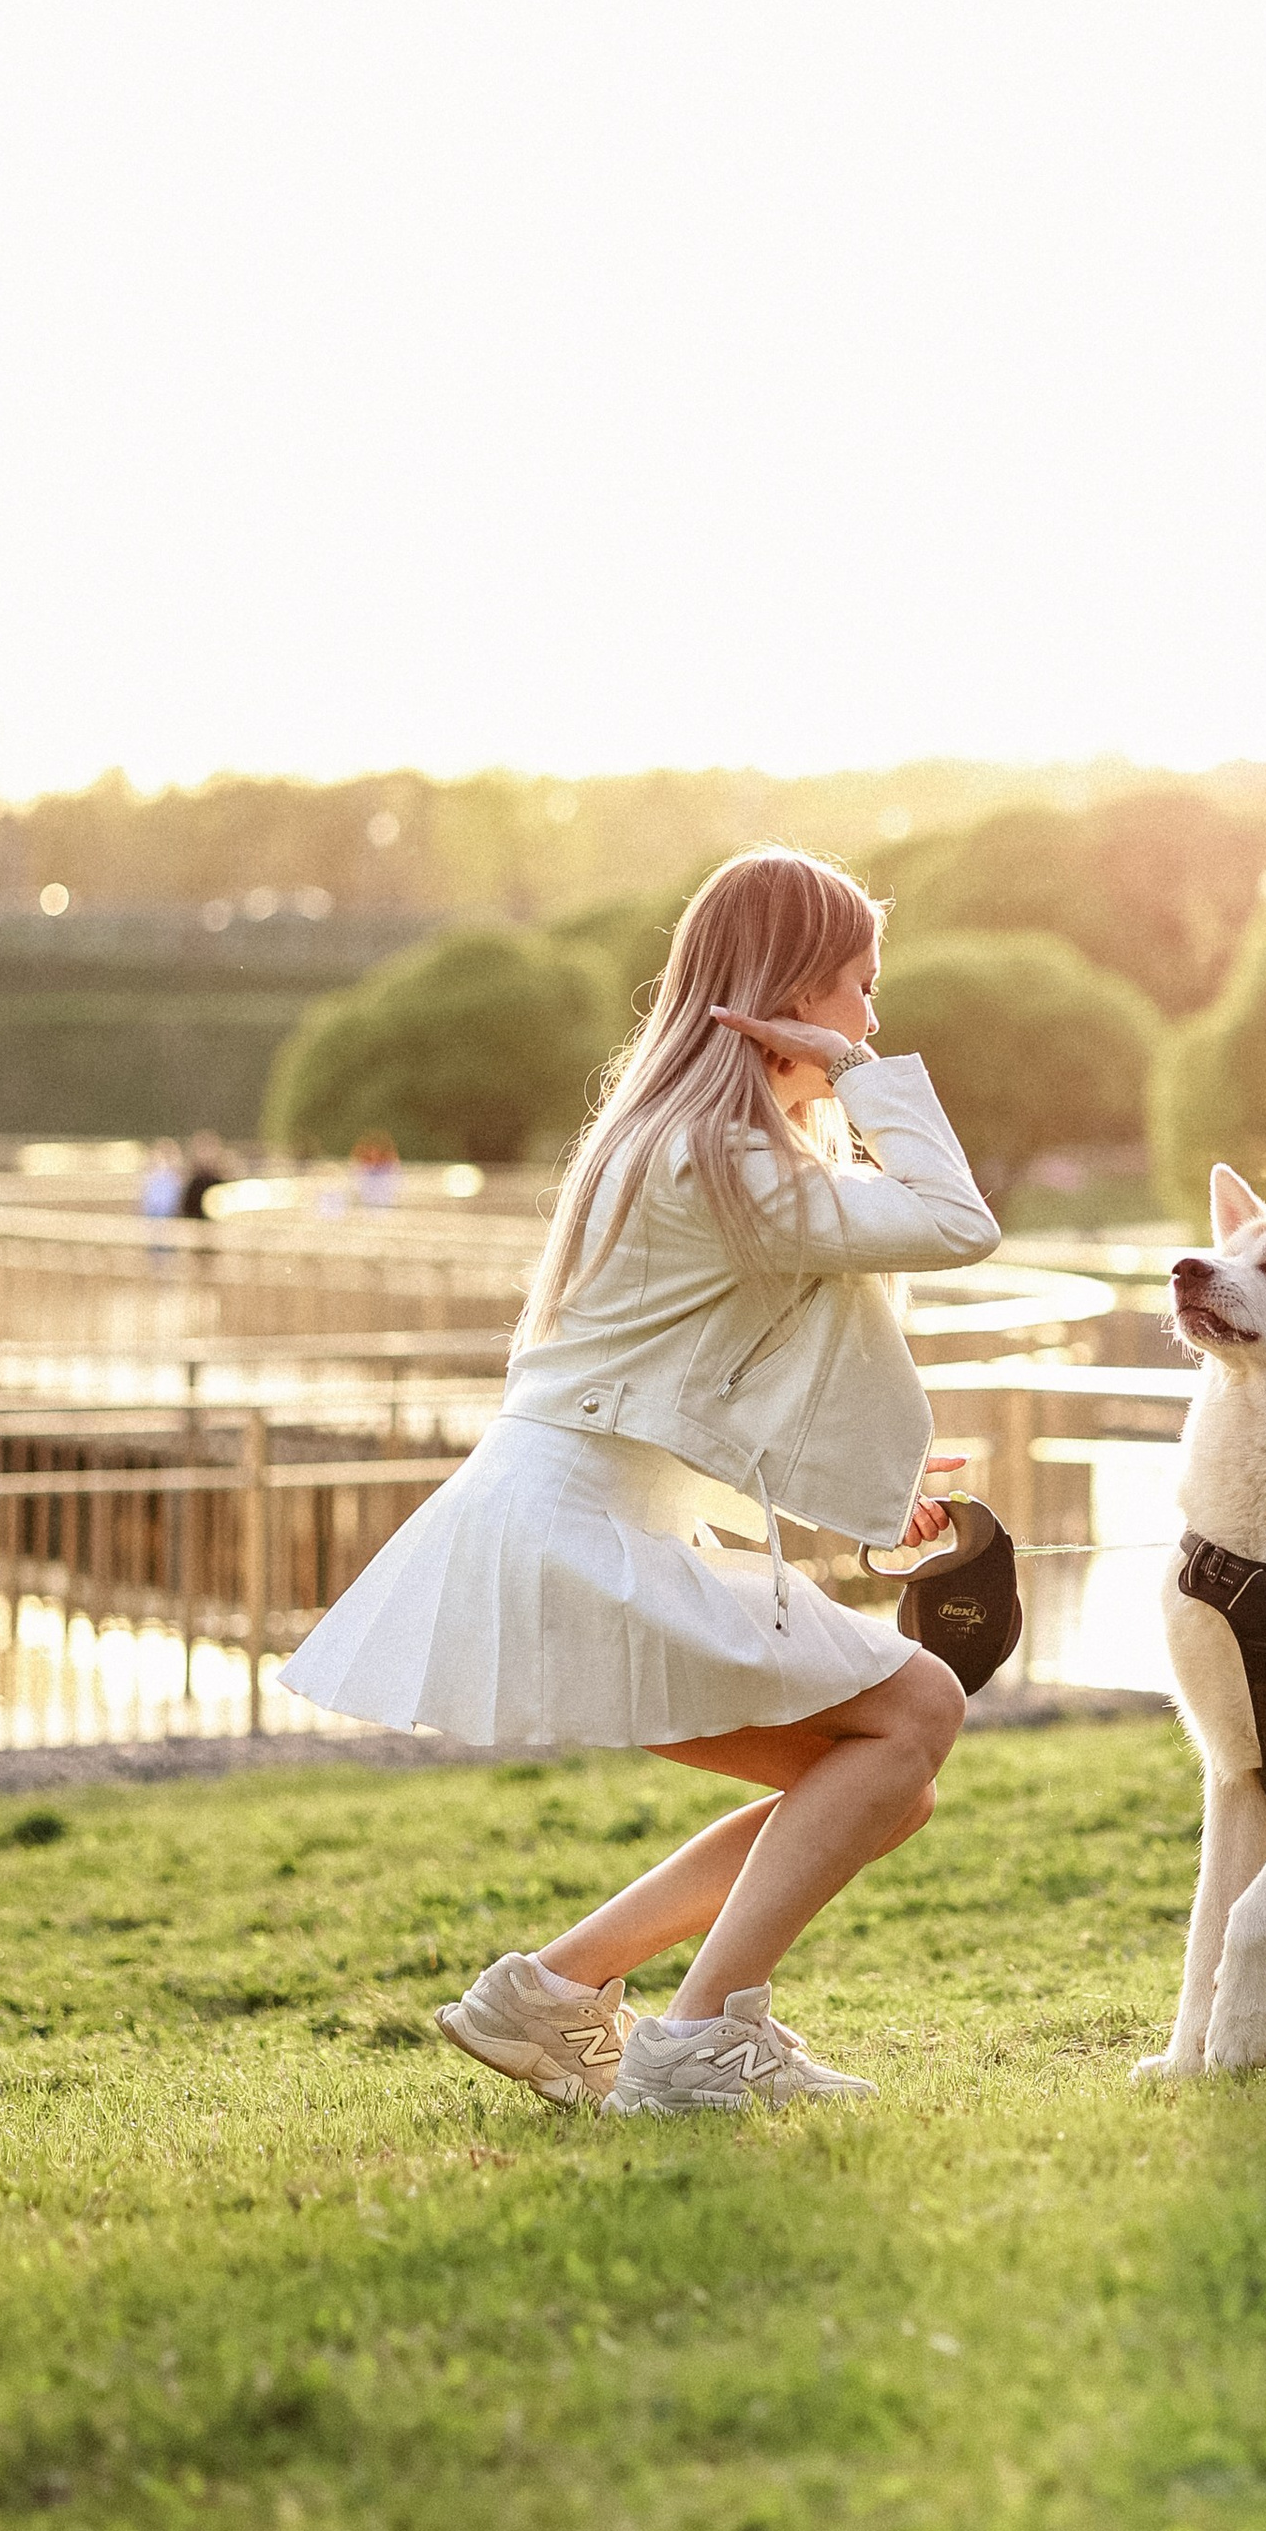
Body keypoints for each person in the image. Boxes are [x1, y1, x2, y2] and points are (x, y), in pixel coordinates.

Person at [281, 845, 997, 2117]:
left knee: (883, 1775)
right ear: (787, 992)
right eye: (858, 991)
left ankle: (551, 1994)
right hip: (577, 1536)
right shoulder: (722, 1156)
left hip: (562, 1525)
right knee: (916, 1715)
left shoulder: (678, 1142)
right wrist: (859, 1078)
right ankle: (700, 2038)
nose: (872, 1020)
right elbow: (955, 1224)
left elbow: (695, 1382)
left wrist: (873, 1495)